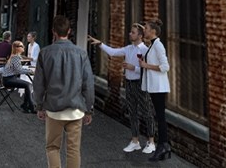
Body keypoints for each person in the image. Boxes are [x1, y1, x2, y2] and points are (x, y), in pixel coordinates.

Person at [33, 15, 95, 168]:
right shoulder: (81, 54)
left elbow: (39, 83)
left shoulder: (45, 53)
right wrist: (89, 109)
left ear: (53, 31)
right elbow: (89, 84)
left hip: (54, 109)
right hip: (75, 109)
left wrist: (39, 105)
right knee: (73, 150)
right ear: (69, 31)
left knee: (53, 148)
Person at [89, 24, 155, 154]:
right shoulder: (129, 48)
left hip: (141, 84)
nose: (130, 34)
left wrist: (133, 68)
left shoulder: (145, 50)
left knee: (147, 112)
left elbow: (149, 69)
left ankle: (151, 141)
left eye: (133, 32)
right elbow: (113, 52)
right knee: (133, 112)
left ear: (140, 36)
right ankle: (135, 141)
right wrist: (100, 43)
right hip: (129, 83)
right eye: (131, 32)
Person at [141, 19, 171, 161]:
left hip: (159, 87)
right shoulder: (152, 46)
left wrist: (146, 65)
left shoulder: (158, 46)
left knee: (160, 117)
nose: (144, 30)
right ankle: (163, 146)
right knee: (159, 116)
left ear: (153, 31)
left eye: (146, 28)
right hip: (154, 87)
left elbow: (165, 66)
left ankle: (163, 146)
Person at [1, 40, 36, 112]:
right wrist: (31, 71)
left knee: (28, 84)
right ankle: (31, 106)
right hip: (8, 80)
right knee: (28, 85)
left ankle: (25, 105)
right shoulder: (15, 57)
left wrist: (28, 70)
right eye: (21, 46)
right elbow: (19, 71)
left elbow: (18, 69)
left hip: (9, 78)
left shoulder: (15, 56)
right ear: (17, 48)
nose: (23, 47)